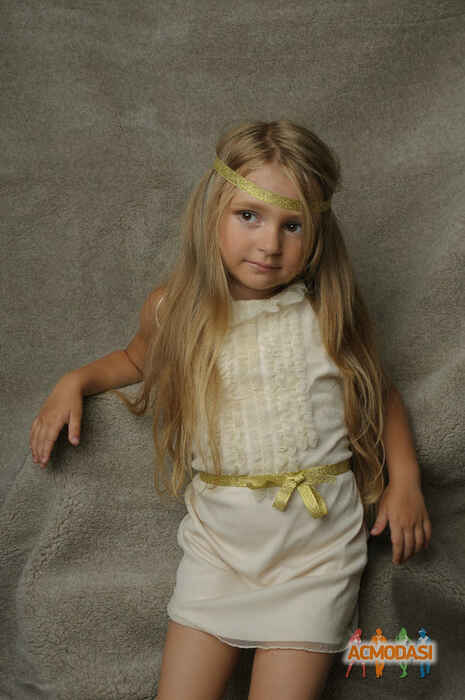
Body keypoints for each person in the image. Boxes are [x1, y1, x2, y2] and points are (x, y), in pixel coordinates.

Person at [29, 119, 433, 700]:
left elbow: (381, 392)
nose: (270, 244)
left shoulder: (327, 312)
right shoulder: (174, 309)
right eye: (249, 216)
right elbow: (136, 359)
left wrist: (406, 480)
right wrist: (76, 380)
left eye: (292, 225)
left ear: (318, 233)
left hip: (314, 557)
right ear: (213, 211)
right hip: (218, 552)